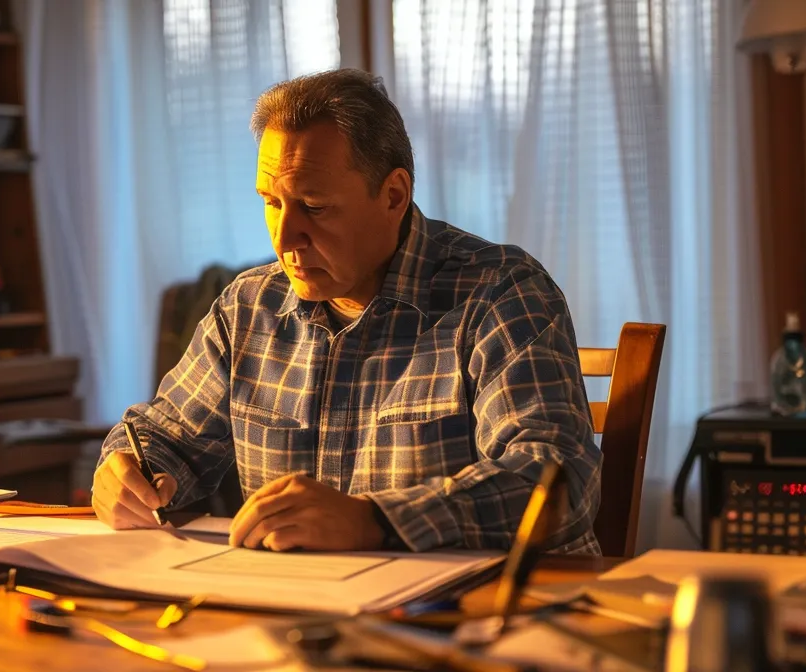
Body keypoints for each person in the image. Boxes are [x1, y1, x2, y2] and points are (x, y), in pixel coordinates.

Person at [92, 68, 601, 555]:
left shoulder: (499, 291)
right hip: (304, 616)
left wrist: (375, 521)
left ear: (394, 196)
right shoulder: (249, 307)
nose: (285, 238)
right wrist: (130, 469)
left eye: (314, 207)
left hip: (480, 619)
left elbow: (556, 479)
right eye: (271, 202)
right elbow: (163, 437)